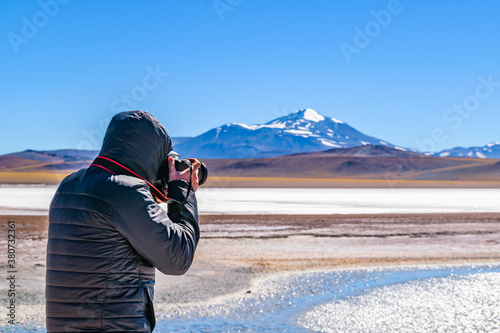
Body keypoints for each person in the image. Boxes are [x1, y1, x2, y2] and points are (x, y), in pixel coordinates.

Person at [45, 110, 201, 332]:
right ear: (153, 154)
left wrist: (152, 192)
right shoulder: (126, 191)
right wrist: (182, 192)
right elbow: (177, 258)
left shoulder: (68, 186)